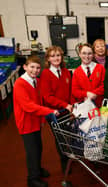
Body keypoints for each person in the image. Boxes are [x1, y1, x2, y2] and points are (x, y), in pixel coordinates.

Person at [13, 55, 59, 187]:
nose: (35, 70)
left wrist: (46, 113)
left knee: (38, 148)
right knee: (32, 151)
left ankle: (37, 170)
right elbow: (27, 106)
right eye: (32, 67)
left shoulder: (36, 81)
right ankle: (32, 179)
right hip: (26, 123)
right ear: (25, 67)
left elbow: (39, 100)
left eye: (38, 68)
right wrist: (48, 111)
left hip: (36, 121)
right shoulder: (20, 84)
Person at [39, 46, 72, 173]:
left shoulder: (66, 72)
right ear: (48, 58)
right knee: (60, 138)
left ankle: (69, 158)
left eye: (58, 55)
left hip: (67, 111)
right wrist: (65, 105)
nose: (56, 58)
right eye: (52, 56)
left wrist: (71, 105)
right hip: (54, 113)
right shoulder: (45, 74)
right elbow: (47, 97)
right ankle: (64, 163)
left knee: (68, 134)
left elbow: (69, 91)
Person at [71, 43, 105, 108]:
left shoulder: (100, 68)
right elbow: (75, 90)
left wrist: (94, 93)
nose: (87, 56)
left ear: (93, 55)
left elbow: (104, 85)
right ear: (79, 54)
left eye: (89, 53)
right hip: (84, 106)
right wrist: (86, 94)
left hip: (100, 105)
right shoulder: (76, 72)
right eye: (84, 53)